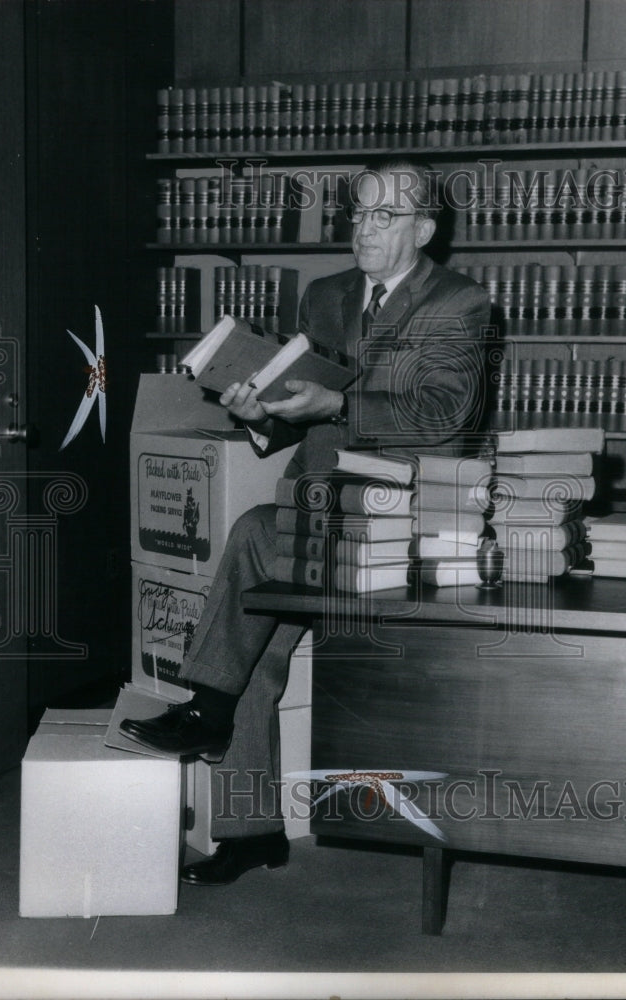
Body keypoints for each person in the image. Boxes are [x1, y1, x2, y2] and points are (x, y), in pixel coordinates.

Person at [120, 158, 491, 885]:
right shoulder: (324, 297)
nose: (364, 228)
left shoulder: (459, 303)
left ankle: (204, 709)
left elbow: (447, 418)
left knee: (258, 531)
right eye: (357, 213)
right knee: (251, 655)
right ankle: (251, 829)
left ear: (423, 228)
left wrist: (341, 407)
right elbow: (299, 405)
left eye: (385, 216)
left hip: (402, 510)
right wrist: (259, 413)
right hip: (320, 504)